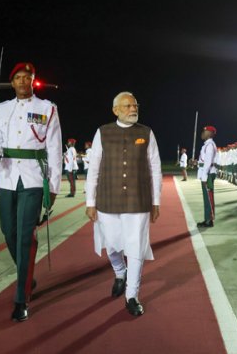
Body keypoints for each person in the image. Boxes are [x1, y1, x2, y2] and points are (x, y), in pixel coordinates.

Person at [0, 62, 62, 321]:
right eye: (18, 77)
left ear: (33, 81)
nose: (22, 81)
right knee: (8, 230)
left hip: (32, 178)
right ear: (12, 82)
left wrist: (53, 187)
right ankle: (26, 274)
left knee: (24, 237)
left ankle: (22, 298)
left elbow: (54, 148)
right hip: (7, 176)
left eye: (27, 77)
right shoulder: (1, 109)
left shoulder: (47, 109)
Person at [85, 92, 162, 316]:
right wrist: (90, 201)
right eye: (127, 105)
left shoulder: (146, 133)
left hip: (139, 200)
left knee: (136, 245)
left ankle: (131, 295)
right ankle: (120, 271)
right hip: (107, 200)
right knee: (112, 244)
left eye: (135, 105)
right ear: (116, 110)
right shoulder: (103, 132)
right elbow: (94, 169)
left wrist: (156, 202)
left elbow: (155, 168)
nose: (133, 109)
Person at [197, 126, 218, 227]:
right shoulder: (207, 144)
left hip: (208, 174)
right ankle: (207, 219)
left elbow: (208, 162)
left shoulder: (209, 145)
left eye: (204, 131)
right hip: (206, 173)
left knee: (208, 198)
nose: (202, 133)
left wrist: (204, 176)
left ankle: (209, 220)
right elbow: (204, 160)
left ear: (210, 133)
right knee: (206, 198)